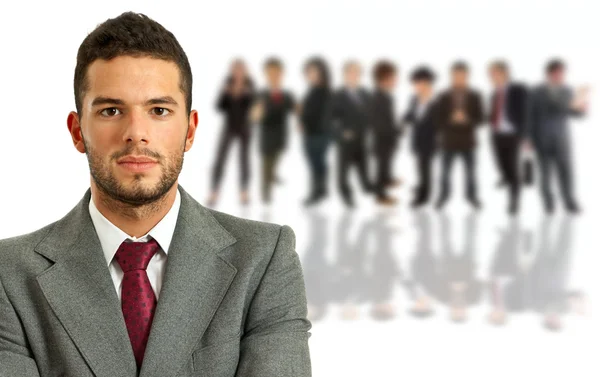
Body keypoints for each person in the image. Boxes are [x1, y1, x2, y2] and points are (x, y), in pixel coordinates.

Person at [0, 12, 311, 377]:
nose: (136, 133)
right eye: (111, 110)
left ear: (190, 131)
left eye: (159, 110)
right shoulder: (9, 276)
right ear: (77, 131)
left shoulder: (263, 260)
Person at [526, 59, 588, 214]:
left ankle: (569, 201)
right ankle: (548, 203)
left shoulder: (568, 90)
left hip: (562, 139)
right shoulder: (535, 91)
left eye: (562, 73)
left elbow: (575, 114)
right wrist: (528, 138)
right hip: (542, 138)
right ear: (549, 73)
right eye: (557, 72)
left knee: (566, 171)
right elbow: (529, 116)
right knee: (545, 173)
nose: (560, 75)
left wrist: (582, 109)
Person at [434, 61, 484, 210]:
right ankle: (443, 196)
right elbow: (438, 120)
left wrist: (466, 119)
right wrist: (451, 119)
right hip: (448, 142)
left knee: (471, 173)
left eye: (462, 75)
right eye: (456, 75)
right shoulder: (443, 95)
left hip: (468, 142)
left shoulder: (475, 95)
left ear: (467, 76)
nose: (459, 78)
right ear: (451, 76)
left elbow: (481, 119)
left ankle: (472, 197)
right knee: (444, 173)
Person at [207, 58, 256, 207]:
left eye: (241, 70)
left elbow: (254, 108)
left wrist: (248, 95)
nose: (238, 73)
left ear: (245, 71)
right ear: (232, 71)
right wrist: (225, 93)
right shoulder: (227, 83)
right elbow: (219, 107)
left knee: (244, 160)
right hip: (229, 126)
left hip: (244, 127)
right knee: (220, 158)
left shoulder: (250, 85)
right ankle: (214, 191)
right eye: (236, 70)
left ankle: (244, 192)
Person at [250, 57, 296, 204]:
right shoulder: (261, 95)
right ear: (266, 74)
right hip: (267, 137)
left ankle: (272, 176)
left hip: (281, 136)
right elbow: (254, 116)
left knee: (274, 161)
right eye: (271, 73)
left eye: (277, 73)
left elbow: (296, 109)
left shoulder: (287, 95)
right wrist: (256, 114)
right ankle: (266, 197)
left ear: (282, 74)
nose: (274, 76)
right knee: (266, 166)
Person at [487, 60, 529, 215]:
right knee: (499, 162)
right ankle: (505, 177)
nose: (492, 77)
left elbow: (526, 112)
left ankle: (514, 200)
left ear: (505, 72)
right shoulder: (494, 93)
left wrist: (527, 136)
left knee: (513, 167)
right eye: (490, 74)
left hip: (513, 134)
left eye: (495, 73)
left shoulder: (518, 89)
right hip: (496, 133)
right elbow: (494, 112)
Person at [331, 60, 373, 208]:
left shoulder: (365, 94)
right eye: (351, 72)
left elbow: (371, 115)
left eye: (357, 73)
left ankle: (368, 189)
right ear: (345, 75)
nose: (354, 75)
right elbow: (330, 119)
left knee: (364, 168)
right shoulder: (337, 95)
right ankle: (346, 195)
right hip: (346, 141)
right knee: (343, 172)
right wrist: (341, 133)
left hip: (362, 139)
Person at [401, 66, 439, 208]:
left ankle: (424, 196)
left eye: (420, 83)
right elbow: (410, 114)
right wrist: (403, 121)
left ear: (428, 84)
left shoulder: (437, 102)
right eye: (415, 84)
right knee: (419, 167)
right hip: (416, 140)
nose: (417, 87)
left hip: (430, 142)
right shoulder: (414, 99)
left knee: (425, 168)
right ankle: (422, 185)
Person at [299, 57, 333, 206]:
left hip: (319, 134)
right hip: (310, 133)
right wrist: (302, 121)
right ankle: (322, 189)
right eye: (309, 72)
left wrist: (308, 122)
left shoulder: (325, 91)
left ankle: (316, 192)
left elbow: (324, 115)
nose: (311, 75)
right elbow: (307, 111)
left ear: (321, 72)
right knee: (316, 163)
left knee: (316, 163)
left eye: (314, 71)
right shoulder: (312, 90)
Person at [370, 60, 402, 205]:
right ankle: (380, 195)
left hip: (388, 140)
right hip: (382, 140)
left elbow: (389, 119)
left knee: (387, 164)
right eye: (393, 77)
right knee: (381, 167)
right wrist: (395, 131)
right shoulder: (377, 97)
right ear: (384, 79)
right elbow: (379, 124)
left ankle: (387, 180)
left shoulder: (387, 96)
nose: (395, 80)